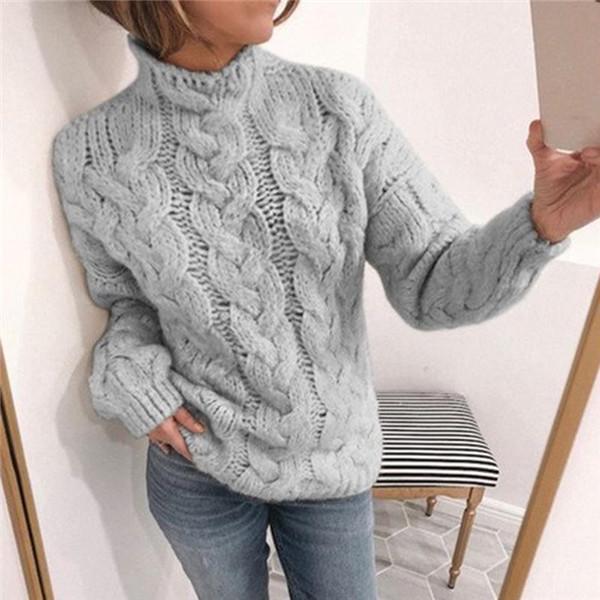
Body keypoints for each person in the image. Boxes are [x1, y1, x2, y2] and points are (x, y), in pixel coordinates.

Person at [51, 1, 600, 598]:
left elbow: (432, 282)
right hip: (196, 466)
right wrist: (132, 376)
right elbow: (127, 302)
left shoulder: (337, 109)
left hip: (330, 460)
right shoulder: (87, 153)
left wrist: (542, 223)